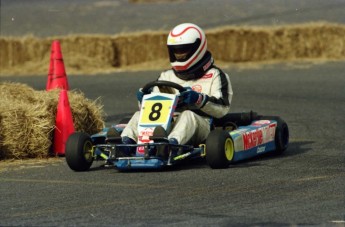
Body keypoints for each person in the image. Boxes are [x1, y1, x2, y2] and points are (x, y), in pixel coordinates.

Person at [111, 23, 233, 156]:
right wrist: (144, 100)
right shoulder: (166, 76)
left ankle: (170, 146)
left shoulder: (215, 75)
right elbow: (152, 111)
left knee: (188, 115)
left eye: (183, 50)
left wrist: (198, 99)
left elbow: (222, 109)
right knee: (138, 115)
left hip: (202, 125)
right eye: (175, 50)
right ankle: (125, 144)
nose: (179, 55)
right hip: (166, 124)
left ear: (198, 48)